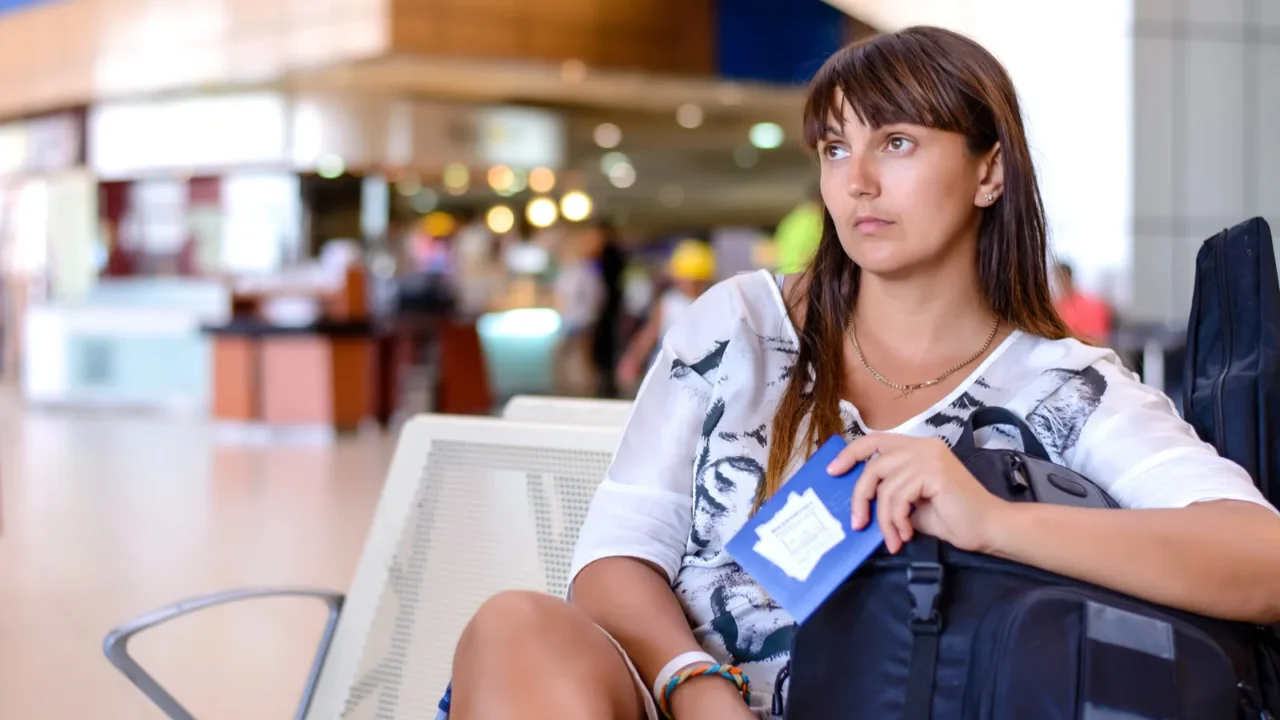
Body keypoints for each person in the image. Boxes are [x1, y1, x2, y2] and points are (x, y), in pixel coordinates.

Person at [448, 26, 1280, 720]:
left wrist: (989, 518)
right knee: (516, 624)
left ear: (989, 171)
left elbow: (1263, 560)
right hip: (674, 698)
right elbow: (615, 559)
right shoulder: (739, 327)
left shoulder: (1064, 387)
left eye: (899, 142)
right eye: (837, 146)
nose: (858, 180)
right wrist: (697, 685)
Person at [615, 238, 716, 388]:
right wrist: (633, 358)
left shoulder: (712, 303)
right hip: (668, 365)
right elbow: (650, 333)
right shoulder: (669, 302)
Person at [1053, 260, 1113, 345]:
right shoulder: (1055, 307)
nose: (1057, 283)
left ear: (1067, 277)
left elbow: (1099, 340)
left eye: (1059, 278)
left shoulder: (1092, 306)